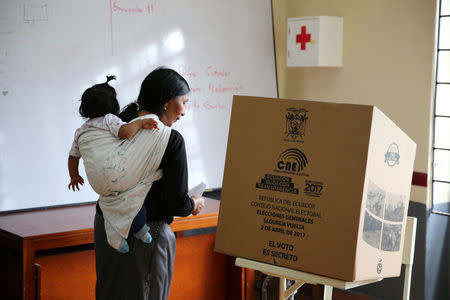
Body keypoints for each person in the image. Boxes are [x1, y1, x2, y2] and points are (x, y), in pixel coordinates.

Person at [94, 67, 205, 300]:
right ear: (167, 101)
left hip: (108, 223)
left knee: (109, 292)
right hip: (147, 236)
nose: (184, 112)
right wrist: (192, 204)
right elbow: (176, 203)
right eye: (183, 102)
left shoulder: (117, 126)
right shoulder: (170, 139)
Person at [67, 76, 159, 253]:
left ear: (84, 110)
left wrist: (74, 175)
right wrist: (139, 123)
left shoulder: (80, 132)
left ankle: (116, 239)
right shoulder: (109, 120)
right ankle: (139, 229)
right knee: (134, 194)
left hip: (97, 184)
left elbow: (73, 156)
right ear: (112, 107)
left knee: (109, 203)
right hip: (117, 173)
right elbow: (124, 133)